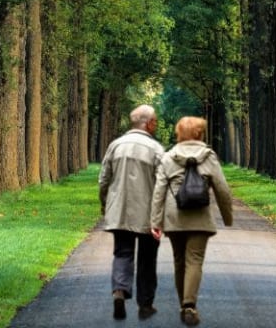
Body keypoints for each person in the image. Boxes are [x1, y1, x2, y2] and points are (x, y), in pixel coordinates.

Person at [150, 116, 233, 327]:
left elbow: (159, 191)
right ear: (200, 133)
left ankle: (183, 305)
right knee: (194, 260)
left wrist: (155, 221)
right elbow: (222, 189)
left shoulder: (168, 157)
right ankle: (189, 305)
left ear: (179, 133)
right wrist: (227, 217)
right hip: (200, 217)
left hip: (174, 217)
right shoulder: (209, 156)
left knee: (179, 261)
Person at [99, 104, 165, 320]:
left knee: (122, 253)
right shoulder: (156, 149)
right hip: (148, 213)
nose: (155, 124)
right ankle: (145, 304)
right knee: (147, 259)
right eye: (154, 120)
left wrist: (104, 203)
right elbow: (164, 183)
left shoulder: (115, 146)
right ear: (147, 123)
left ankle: (119, 290)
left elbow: (104, 179)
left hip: (121, 211)